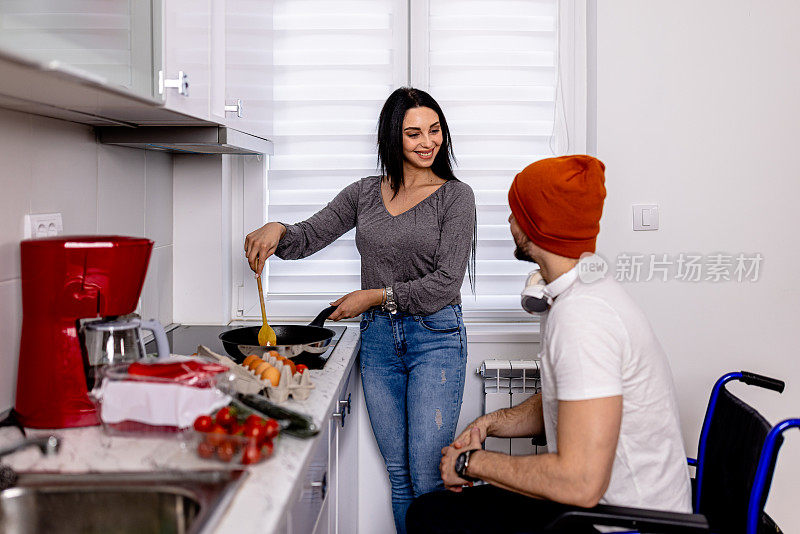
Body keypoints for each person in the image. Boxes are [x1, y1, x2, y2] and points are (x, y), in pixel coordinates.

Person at [406, 155, 692, 534]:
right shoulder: (586, 292)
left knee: (432, 517)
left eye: (515, 213)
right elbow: (569, 402)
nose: (509, 222)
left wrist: (469, 464)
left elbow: (580, 482)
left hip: (623, 524)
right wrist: (489, 423)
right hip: (608, 509)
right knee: (433, 510)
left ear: (533, 226)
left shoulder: (583, 318)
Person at [244, 87, 476, 534]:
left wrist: (373, 296)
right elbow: (309, 236)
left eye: (434, 130)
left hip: (436, 339)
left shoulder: (455, 197)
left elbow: (444, 285)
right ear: (393, 138)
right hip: (378, 344)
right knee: (400, 475)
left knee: (428, 476)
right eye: (413, 133)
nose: (428, 142)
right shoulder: (365, 194)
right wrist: (277, 229)